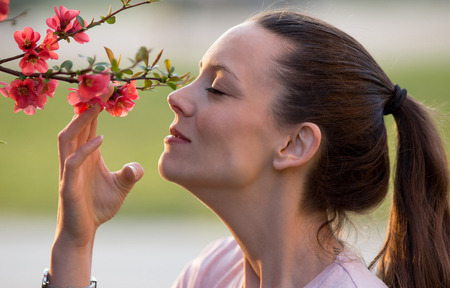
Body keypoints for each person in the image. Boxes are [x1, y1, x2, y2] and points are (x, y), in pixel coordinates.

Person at [44, 10, 450, 288]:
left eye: (217, 89)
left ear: (294, 144)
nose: (177, 97)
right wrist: (75, 243)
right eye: (195, 77)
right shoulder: (213, 272)